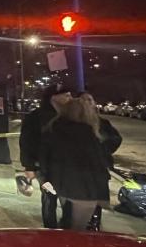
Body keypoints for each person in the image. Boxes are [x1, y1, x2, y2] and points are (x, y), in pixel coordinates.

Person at [39, 97, 111, 230]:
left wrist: (47, 182)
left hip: (61, 185)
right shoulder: (90, 134)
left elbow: (44, 160)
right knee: (77, 228)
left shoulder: (53, 129)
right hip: (85, 190)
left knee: (68, 221)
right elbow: (98, 166)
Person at [19, 83, 73, 227]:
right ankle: (50, 228)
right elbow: (26, 141)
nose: (71, 98)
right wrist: (29, 166)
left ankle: (67, 228)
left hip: (66, 168)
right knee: (50, 196)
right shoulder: (36, 117)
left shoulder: (71, 116)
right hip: (43, 168)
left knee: (68, 199)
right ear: (54, 97)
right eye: (66, 95)